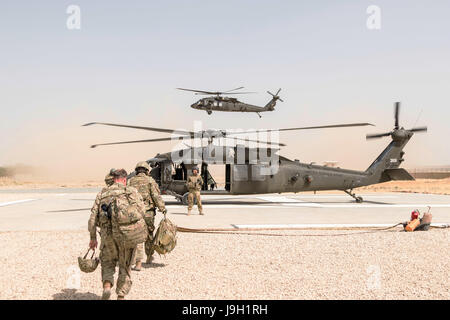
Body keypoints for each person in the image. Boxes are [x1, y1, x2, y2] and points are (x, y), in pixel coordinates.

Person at [88, 168, 145, 300]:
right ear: (125, 179)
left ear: (113, 178)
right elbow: (141, 211)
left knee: (107, 263)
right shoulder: (130, 191)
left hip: (107, 237)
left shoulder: (103, 193)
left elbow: (92, 220)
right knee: (125, 267)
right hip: (126, 236)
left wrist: (93, 238)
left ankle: (107, 286)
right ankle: (121, 295)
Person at [128, 161, 166, 269]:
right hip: (148, 213)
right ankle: (149, 256)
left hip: (134, 214)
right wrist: (162, 208)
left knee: (135, 235)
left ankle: (136, 260)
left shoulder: (130, 181)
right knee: (149, 235)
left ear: (137, 170)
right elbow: (156, 196)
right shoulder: (150, 181)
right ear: (146, 170)